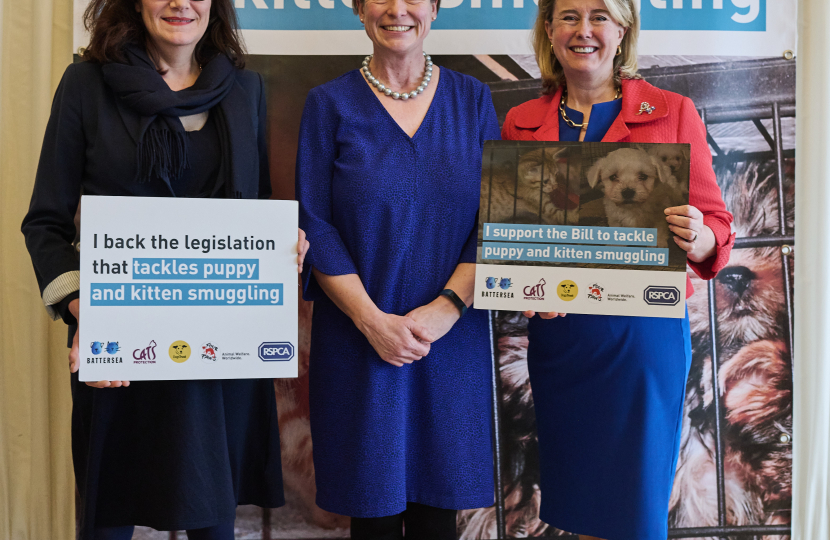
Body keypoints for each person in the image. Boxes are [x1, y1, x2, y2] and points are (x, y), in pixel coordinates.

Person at [21, 1, 309, 539]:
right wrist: (90, 310)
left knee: (213, 522)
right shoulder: (86, 84)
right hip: (122, 357)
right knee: (108, 522)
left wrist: (281, 244)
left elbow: (256, 205)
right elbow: (45, 222)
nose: (181, 3)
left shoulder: (245, 90)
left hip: (218, 357)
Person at [500, 0, 735, 539]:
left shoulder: (672, 109)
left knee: (634, 515)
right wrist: (521, 280)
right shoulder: (522, 122)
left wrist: (698, 236)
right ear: (549, 30)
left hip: (642, 340)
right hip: (562, 340)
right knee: (581, 510)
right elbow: (518, 237)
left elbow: (718, 225)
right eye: (569, 16)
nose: (584, 30)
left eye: (600, 15)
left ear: (623, 28)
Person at [295, 0, 501, 538]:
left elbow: (497, 220)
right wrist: (371, 322)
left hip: (450, 343)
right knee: (373, 517)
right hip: (359, 339)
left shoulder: (473, 100)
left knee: (439, 515)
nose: (397, 10)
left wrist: (447, 308)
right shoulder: (327, 104)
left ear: (435, 8)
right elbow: (314, 222)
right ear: (360, 10)